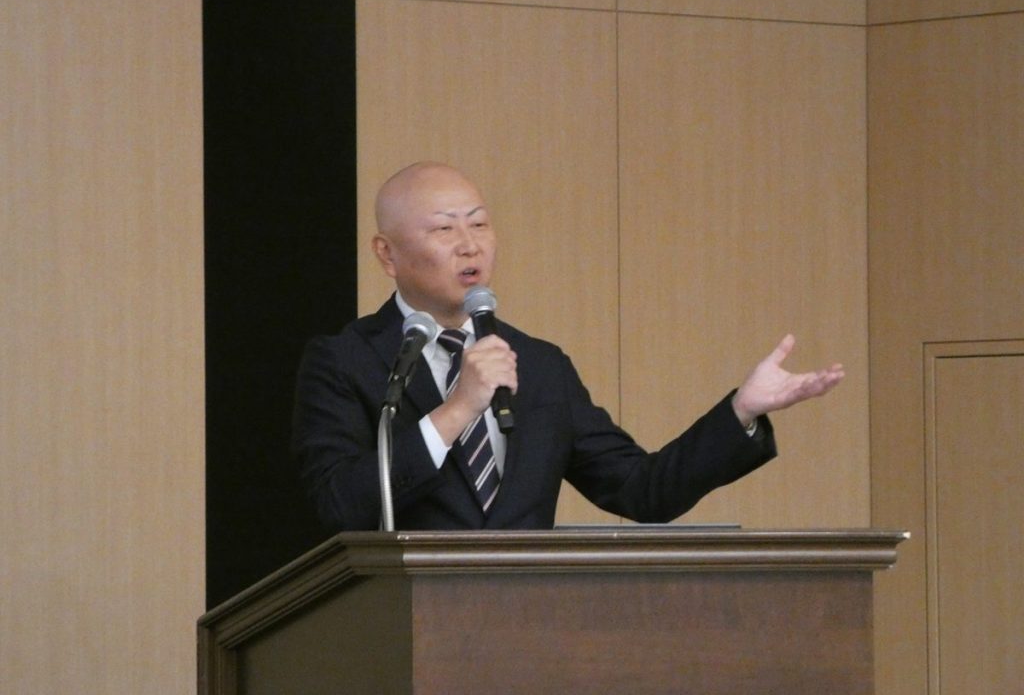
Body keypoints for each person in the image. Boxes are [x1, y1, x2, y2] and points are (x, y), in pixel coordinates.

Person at [292, 162, 844, 531]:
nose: (469, 245)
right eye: (444, 230)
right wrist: (458, 408)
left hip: (532, 625)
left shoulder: (541, 365)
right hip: (404, 626)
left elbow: (641, 491)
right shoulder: (344, 361)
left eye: (479, 224)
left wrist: (740, 411)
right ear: (387, 254)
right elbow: (341, 504)